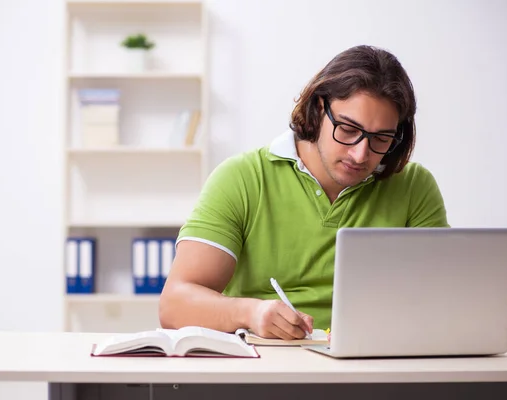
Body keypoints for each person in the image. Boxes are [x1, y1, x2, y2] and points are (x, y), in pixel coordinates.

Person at [159, 45, 449, 340]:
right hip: (268, 364)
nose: (361, 154)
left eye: (381, 138)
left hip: (377, 366)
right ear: (319, 108)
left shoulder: (414, 186)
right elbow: (174, 305)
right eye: (348, 129)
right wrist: (251, 313)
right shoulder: (243, 178)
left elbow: (447, 298)